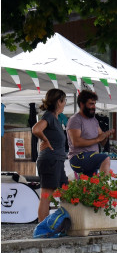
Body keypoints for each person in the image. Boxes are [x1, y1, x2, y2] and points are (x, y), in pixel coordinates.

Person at [31, 89, 69, 222]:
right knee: (46, 196)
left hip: (57, 160)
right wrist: (45, 140)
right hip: (49, 160)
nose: (65, 104)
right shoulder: (48, 116)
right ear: (59, 102)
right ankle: (43, 229)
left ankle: (63, 223)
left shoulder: (56, 119)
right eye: (65, 101)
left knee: (66, 192)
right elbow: (36, 129)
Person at [67, 90, 113, 176]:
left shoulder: (94, 120)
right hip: (78, 158)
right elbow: (76, 142)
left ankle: (99, 188)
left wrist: (105, 136)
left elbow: (102, 142)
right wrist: (98, 139)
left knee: (89, 187)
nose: (94, 107)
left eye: (95, 104)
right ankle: (104, 187)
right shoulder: (75, 120)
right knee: (105, 158)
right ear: (81, 104)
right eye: (91, 104)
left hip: (91, 157)